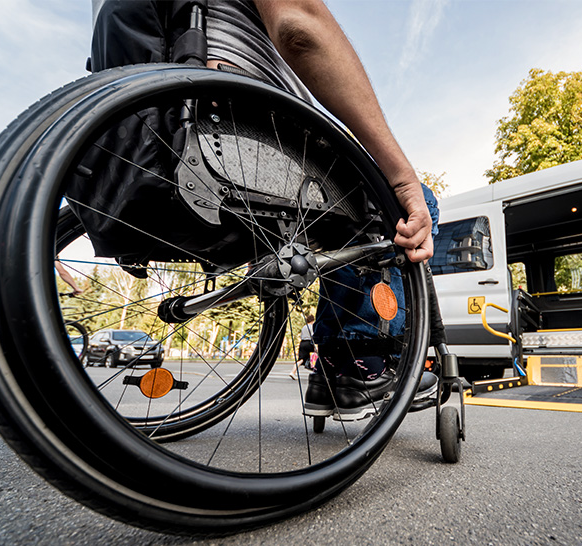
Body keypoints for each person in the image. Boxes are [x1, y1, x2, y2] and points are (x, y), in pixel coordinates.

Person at [90, 0, 437, 419]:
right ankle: (354, 367)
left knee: (354, 192)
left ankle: (334, 371)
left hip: (162, 119)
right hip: (244, 120)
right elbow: (298, 29)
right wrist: (401, 177)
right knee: (414, 201)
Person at [290, 314, 315, 380]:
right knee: (315, 357)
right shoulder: (312, 326)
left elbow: (301, 335)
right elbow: (313, 336)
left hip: (302, 342)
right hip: (309, 343)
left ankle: (293, 371)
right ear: (313, 320)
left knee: (301, 359)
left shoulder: (304, 327)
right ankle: (316, 373)